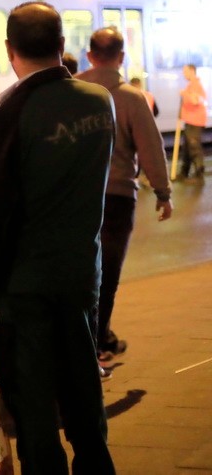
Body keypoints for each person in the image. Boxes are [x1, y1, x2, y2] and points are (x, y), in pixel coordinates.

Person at [0, 2, 116, 475]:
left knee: (34, 411)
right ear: (63, 46)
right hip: (79, 276)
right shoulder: (97, 102)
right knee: (83, 393)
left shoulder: (6, 119)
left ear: (9, 50)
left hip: (23, 289)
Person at [77, 28, 173, 368]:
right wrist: (163, 193)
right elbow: (151, 148)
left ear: (89, 55)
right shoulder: (132, 98)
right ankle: (98, 342)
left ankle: (87, 342)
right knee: (107, 275)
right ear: (121, 57)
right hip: (117, 197)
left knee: (79, 272)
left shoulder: (71, 92)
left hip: (74, 198)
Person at [178, 63, 207, 183]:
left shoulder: (195, 85)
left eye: (185, 71)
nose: (183, 74)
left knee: (194, 148)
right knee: (187, 149)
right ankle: (184, 172)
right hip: (190, 120)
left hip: (195, 121)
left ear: (192, 71)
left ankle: (199, 174)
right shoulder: (191, 85)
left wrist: (184, 94)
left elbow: (196, 100)